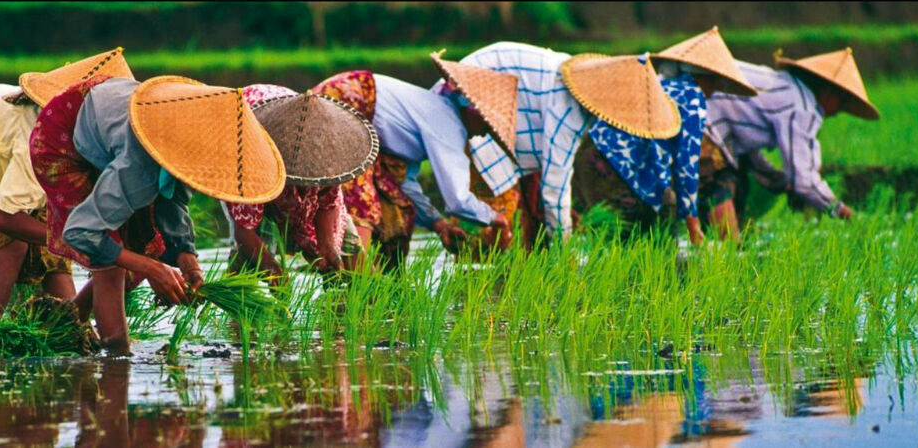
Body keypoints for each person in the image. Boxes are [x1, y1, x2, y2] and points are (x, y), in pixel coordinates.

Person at [30, 75, 286, 355]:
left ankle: (62, 324)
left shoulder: (181, 149)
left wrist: (186, 259)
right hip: (62, 134)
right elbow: (81, 233)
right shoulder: (137, 170)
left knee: (143, 243)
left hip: (112, 118)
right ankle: (117, 353)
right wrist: (153, 269)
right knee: (112, 264)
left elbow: (171, 198)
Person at [0, 48, 134, 325]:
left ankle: (69, 329)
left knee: (54, 252)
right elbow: (4, 219)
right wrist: (74, 242)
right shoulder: (38, 144)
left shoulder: (83, 143)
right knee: (14, 245)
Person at [442, 42, 680, 247]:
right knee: (496, 228)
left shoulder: (582, 91)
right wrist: (564, 250)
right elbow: (555, 186)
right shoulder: (570, 110)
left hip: (503, 114)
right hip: (475, 105)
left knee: (528, 225)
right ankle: (477, 285)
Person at [312, 60, 519, 269]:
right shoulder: (448, 123)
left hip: (353, 108)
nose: (484, 133)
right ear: (474, 112)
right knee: (362, 201)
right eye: (487, 126)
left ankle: (386, 278)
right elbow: (457, 200)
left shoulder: (431, 112)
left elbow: (406, 184)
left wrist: (439, 224)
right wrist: (496, 218)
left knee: (399, 204)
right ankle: (357, 277)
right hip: (347, 101)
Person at [570, 27, 759, 244]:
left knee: (605, 233)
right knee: (657, 226)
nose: (715, 90)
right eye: (716, 82)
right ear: (706, 77)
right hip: (616, 169)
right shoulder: (691, 96)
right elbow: (687, 167)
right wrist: (693, 225)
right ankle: (659, 270)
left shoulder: (658, 83)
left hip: (589, 155)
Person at [701, 48, 880, 237]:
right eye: (842, 102)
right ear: (829, 92)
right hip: (702, 117)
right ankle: (729, 248)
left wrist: (778, 181)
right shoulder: (803, 107)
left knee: (736, 175)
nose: (838, 112)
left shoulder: (786, 87)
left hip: (703, 114)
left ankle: (728, 244)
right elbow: (804, 181)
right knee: (719, 179)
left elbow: (750, 156)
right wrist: (841, 210)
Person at [225, 84, 376, 281]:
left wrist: (327, 244)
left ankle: (365, 299)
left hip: (286, 122)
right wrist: (272, 268)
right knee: (249, 259)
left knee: (348, 256)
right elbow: (244, 230)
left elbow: (328, 203)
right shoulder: (250, 165)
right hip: (250, 138)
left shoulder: (327, 155)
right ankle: (242, 300)